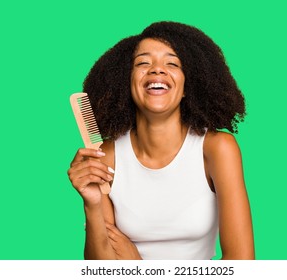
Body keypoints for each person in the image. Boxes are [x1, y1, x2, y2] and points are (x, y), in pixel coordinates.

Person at [67, 21, 254, 260]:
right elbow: (101, 269)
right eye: (143, 63)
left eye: (172, 63)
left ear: (188, 85)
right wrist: (92, 204)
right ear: (127, 81)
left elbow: (241, 264)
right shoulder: (106, 154)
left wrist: (142, 270)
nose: (157, 70)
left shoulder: (217, 148)